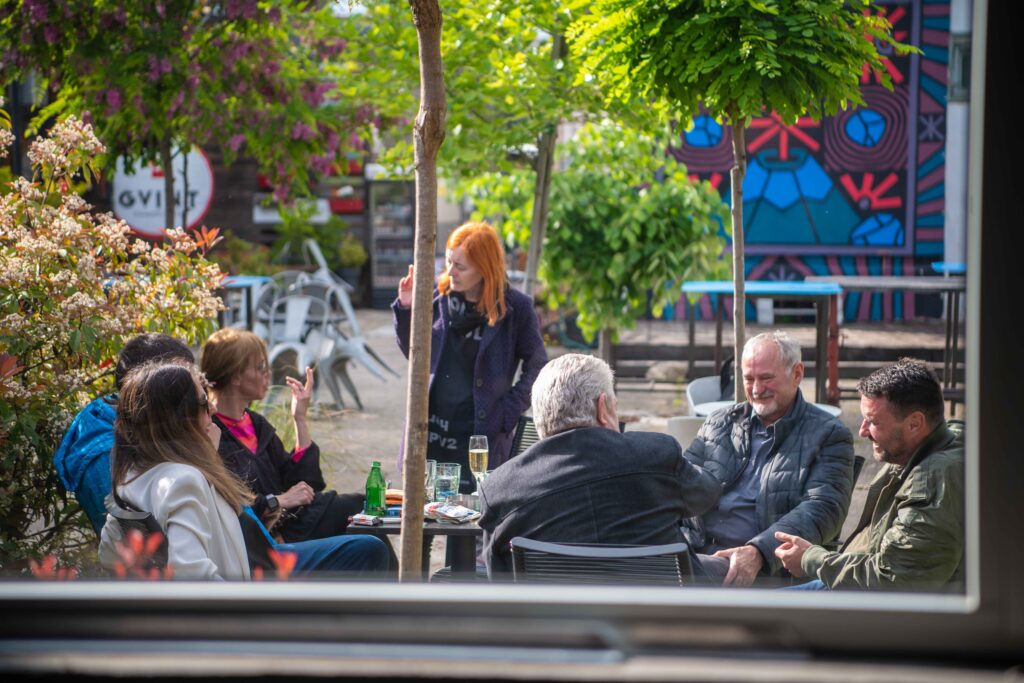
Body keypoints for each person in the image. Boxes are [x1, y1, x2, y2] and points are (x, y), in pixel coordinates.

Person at [478, 354, 721, 578]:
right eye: (615, 407)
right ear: (603, 408)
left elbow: (498, 577)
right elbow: (706, 495)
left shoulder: (499, 490)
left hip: (554, 622)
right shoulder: (655, 454)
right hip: (661, 619)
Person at [682, 331, 856, 585]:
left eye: (765, 378)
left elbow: (822, 509)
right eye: (748, 379)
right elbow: (681, 483)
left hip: (765, 571)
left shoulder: (828, 434)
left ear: (797, 374)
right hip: (695, 553)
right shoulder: (719, 422)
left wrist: (759, 552)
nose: (755, 389)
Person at [775, 358, 964, 591]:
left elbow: (894, 579)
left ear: (915, 423)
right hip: (850, 581)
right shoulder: (927, 445)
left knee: (754, 614)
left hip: (872, 608)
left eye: (873, 421)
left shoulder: (931, 482)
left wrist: (811, 559)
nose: (862, 431)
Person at [392, 221, 547, 492]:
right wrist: (406, 307)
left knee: (467, 526)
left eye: (460, 266)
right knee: (418, 525)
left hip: (478, 438)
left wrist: (507, 411)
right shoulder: (438, 298)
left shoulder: (516, 308)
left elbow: (538, 366)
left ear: (484, 269)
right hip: (429, 433)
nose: (451, 271)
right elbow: (413, 354)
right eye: (449, 261)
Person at [200, 328, 367, 544]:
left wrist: (299, 418)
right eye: (260, 367)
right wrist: (278, 500)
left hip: (289, 523)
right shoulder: (212, 433)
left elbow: (307, 485)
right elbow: (228, 504)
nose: (267, 373)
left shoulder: (256, 425)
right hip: (258, 542)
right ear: (235, 376)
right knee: (354, 510)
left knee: (362, 517)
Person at [98, 362, 254, 579]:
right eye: (203, 401)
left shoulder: (133, 476)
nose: (214, 408)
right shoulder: (184, 480)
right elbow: (191, 573)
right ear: (178, 418)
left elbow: (108, 555)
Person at [54, 333, 195, 533]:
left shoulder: (142, 425)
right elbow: (134, 539)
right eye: (179, 382)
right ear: (145, 383)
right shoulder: (104, 451)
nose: (191, 392)